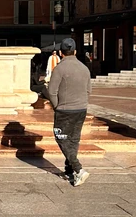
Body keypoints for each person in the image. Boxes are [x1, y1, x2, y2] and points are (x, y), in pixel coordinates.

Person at [47, 38, 92, 186]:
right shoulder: (84, 68)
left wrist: (57, 106)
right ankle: (69, 170)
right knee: (73, 139)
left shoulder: (59, 69)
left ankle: (79, 169)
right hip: (81, 109)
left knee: (61, 137)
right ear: (76, 51)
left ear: (61, 53)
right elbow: (88, 90)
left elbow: (51, 91)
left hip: (65, 109)